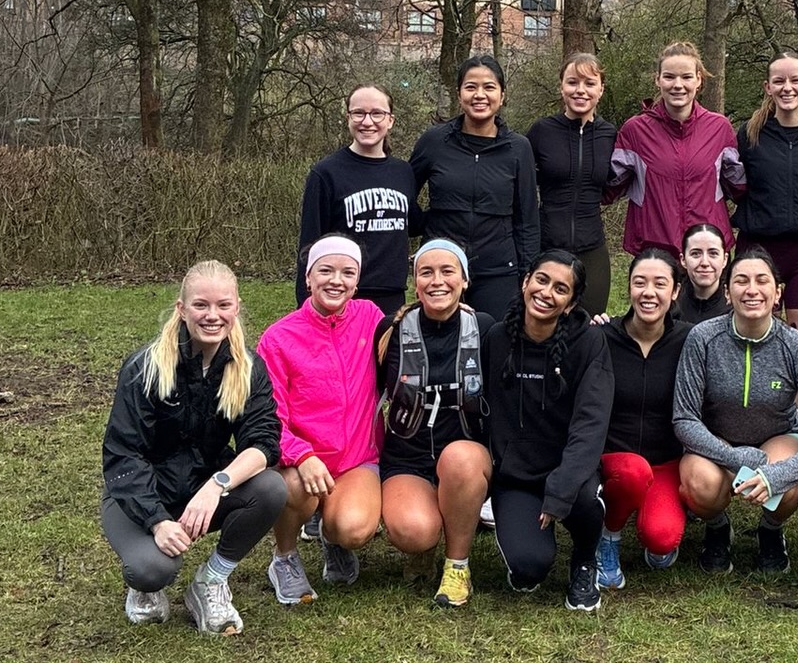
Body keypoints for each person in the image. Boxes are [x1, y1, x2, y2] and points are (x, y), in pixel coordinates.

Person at [101, 260, 286, 636]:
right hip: (140, 496)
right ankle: (144, 584)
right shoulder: (144, 368)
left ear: (236, 308)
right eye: (201, 305)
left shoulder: (249, 368)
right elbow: (123, 456)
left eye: (223, 305)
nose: (212, 316)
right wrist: (157, 521)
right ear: (181, 309)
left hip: (202, 491)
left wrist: (216, 485)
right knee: (154, 570)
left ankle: (210, 582)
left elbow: (264, 442)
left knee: (271, 488)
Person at [672, 246, 798, 575]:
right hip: (717, 438)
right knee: (698, 483)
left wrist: (778, 474)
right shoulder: (702, 338)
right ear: (728, 292)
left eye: (762, 280)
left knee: (792, 478)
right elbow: (685, 418)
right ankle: (717, 527)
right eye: (741, 281)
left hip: (778, 437)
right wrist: (734, 457)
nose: (752, 290)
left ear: (778, 293)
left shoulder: (797, 346)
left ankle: (770, 531)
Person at [483, 249, 615, 611]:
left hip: (569, 472)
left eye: (561, 288)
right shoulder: (496, 338)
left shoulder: (588, 343)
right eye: (541, 280)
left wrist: (560, 490)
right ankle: (530, 546)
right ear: (525, 282)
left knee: (586, 500)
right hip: (517, 476)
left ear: (571, 303)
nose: (547, 293)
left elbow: (591, 424)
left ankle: (585, 559)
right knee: (528, 570)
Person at [257, 237, 384, 605]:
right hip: (303, 460)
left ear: (357, 282)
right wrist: (301, 454)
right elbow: (269, 414)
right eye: (326, 271)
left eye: (347, 273)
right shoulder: (278, 339)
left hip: (357, 458)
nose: (336, 281)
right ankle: (285, 557)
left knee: (354, 529)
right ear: (308, 277)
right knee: (295, 489)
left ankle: (333, 539)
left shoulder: (370, 318)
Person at [376, 239, 494, 610]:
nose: (437, 281)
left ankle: (457, 565)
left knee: (459, 460)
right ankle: (423, 547)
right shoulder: (390, 330)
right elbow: (366, 394)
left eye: (448, 271)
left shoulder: (486, 329)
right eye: (426, 272)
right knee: (415, 531)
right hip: (406, 456)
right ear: (415, 282)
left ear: (465, 280)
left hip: (466, 455)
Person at [411, 53, 539, 318]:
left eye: (489, 87)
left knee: (495, 345)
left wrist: (528, 273)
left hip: (498, 269)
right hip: (442, 269)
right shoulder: (434, 141)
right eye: (471, 87)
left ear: (502, 96)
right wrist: (429, 223)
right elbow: (402, 195)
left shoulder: (518, 148)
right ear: (459, 94)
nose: (479, 95)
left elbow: (527, 219)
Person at [596, 247, 692, 588]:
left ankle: (655, 521)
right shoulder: (602, 338)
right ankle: (608, 537)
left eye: (659, 284)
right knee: (632, 473)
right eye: (640, 282)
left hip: (666, 461)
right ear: (629, 288)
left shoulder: (690, 340)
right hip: (614, 458)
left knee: (663, 538)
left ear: (676, 291)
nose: (648, 293)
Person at [605, 40, 744, 258]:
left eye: (686, 77)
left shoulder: (720, 128)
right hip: (655, 253)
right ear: (657, 80)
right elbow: (607, 187)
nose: (678, 85)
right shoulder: (635, 131)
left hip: (707, 253)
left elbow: (739, 187)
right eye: (669, 77)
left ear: (698, 79)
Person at [734, 51, 798, 343]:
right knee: (756, 345)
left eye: (795, 80)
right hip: (758, 251)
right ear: (768, 87)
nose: (786, 87)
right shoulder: (750, 135)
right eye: (779, 81)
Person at [295, 84, 418, 320]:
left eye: (377, 113)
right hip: (343, 295)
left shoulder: (403, 172)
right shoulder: (325, 173)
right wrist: (305, 305)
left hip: (392, 295)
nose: (367, 121)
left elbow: (413, 223)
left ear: (390, 120)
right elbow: (309, 243)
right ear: (348, 118)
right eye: (359, 113)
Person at [525, 53, 617, 314]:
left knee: (591, 324)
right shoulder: (541, 131)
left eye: (589, 83)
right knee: (543, 322)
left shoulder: (609, 134)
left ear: (601, 89)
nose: (581, 90)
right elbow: (522, 188)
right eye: (573, 82)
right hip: (547, 243)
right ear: (561, 86)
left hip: (592, 246)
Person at [670, 221, 731, 327]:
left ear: (725, 259)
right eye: (695, 254)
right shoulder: (669, 303)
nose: (705, 263)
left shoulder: (736, 307)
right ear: (683, 259)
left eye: (713, 253)